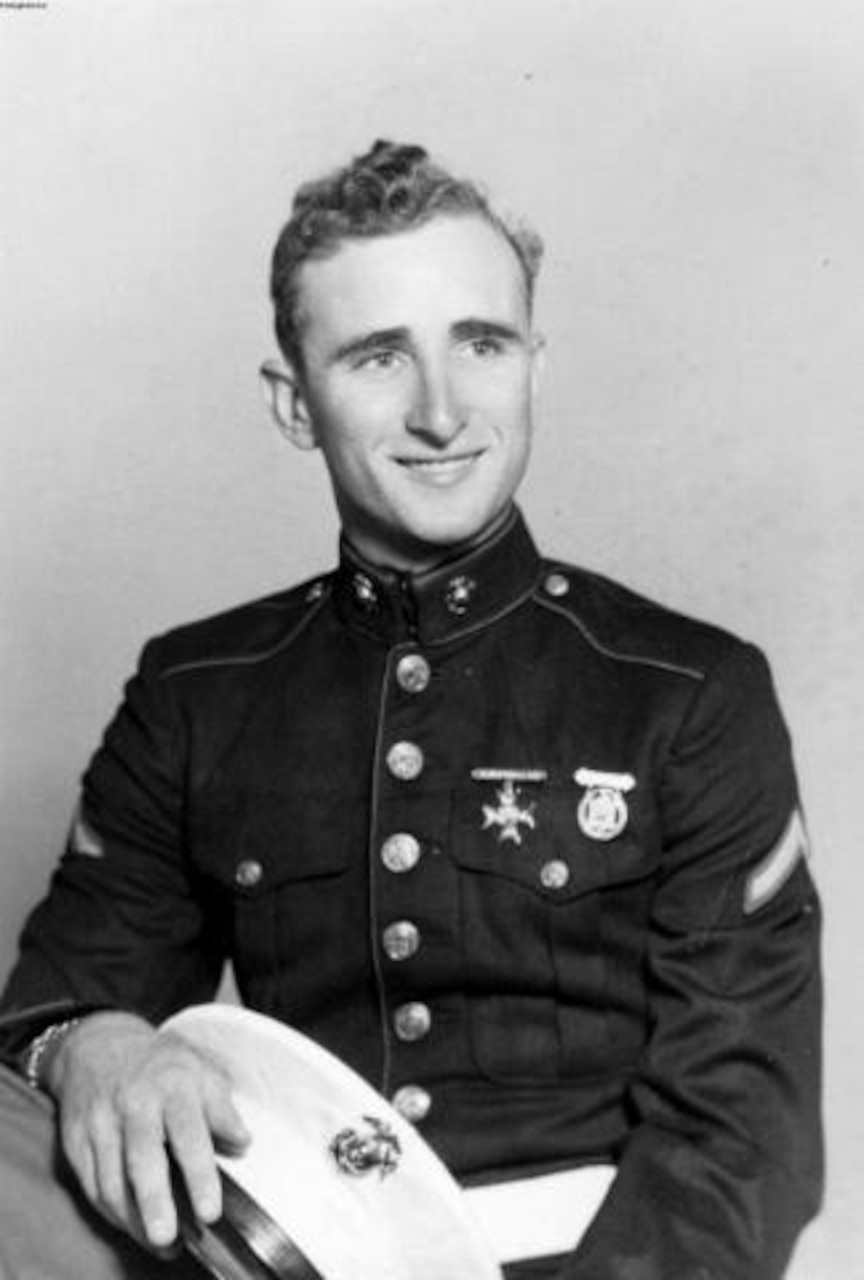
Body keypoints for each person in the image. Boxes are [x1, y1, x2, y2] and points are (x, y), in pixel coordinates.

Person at [0, 140, 822, 1280]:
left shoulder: (688, 692)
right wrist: (97, 1041)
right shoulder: (195, 691)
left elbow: (743, 1138)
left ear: (534, 363)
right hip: (269, 1252)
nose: (442, 410)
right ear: (296, 402)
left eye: (480, 344)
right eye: (379, 357)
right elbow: (63, 990)